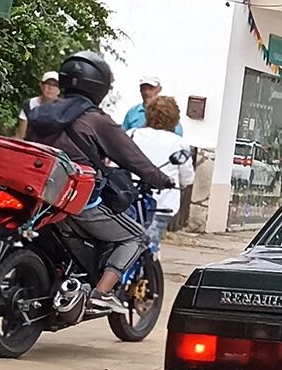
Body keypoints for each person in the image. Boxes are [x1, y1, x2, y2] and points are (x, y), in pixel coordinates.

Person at [27, 52, 175, 313]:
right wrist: (161, 179)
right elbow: (133, 158)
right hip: (73, 198)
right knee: (137, 236)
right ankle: (101, 293)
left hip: (36, 194)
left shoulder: (41, 113)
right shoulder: (96, 119)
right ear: (99, 86)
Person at [128, 95, 188, 248]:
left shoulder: (132, 134)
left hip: (130, 198)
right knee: (150, 245)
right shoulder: (179, 143)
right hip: (162, 204)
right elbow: (187, 178)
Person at [18, 71, 59, 135]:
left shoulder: (64, 109)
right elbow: (20, 135)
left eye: (55, 85)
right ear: (41, 85)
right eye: (48, 83)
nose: (50, 87)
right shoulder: (29, 105)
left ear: (59, 90)